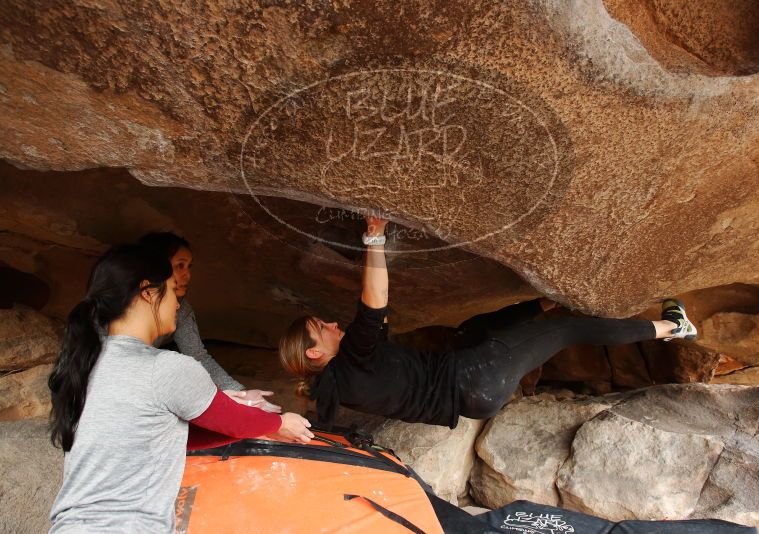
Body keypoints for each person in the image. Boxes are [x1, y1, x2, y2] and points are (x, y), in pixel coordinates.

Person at [279, 215, 697, 429]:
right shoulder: (351, 360)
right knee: (568, 331)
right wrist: (375, 236)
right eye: (324, 328)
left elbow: (380, 320)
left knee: (472, 330)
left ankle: (545, 305)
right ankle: (673, 327)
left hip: (471, 395)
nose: (335, 325)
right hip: (474, 377)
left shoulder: (336, 386)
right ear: (316, 352)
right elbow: (375, 301)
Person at [48, 244, 313, 533]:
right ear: (148, 293)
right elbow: (232, 419)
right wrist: (279, 423)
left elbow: (165, 438)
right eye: (173, 290)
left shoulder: (87, 366)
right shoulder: (166, 367)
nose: (177, 303)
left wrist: (257, 426)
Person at [138, 232, 278, 412]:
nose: (187, 274)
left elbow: (197, 356)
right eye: (179, 265)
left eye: (189, 266)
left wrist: (241, 393)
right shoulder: (122, 312)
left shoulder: (182, 307)